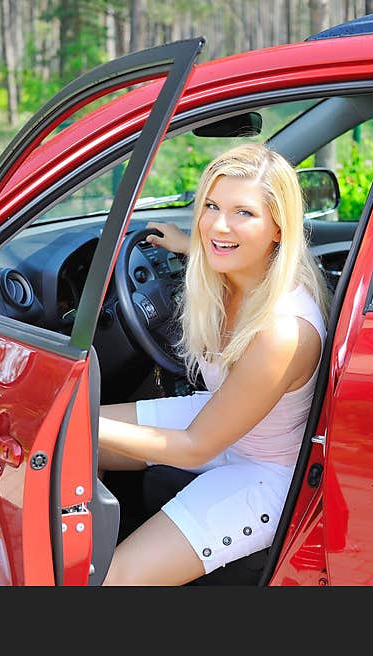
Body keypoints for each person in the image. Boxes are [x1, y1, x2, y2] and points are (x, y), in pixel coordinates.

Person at [98, 143, 330, 586]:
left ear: (278, 228)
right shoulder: (233, 274)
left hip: (263, 469)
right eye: (210, 205)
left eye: (243, 213)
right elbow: (217, 240)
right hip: (221, 416)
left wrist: (73, 418)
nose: (219, 225)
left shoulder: (283, 331)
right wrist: (189, 244)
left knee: (116, 579)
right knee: (75, 447)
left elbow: (194, 447)